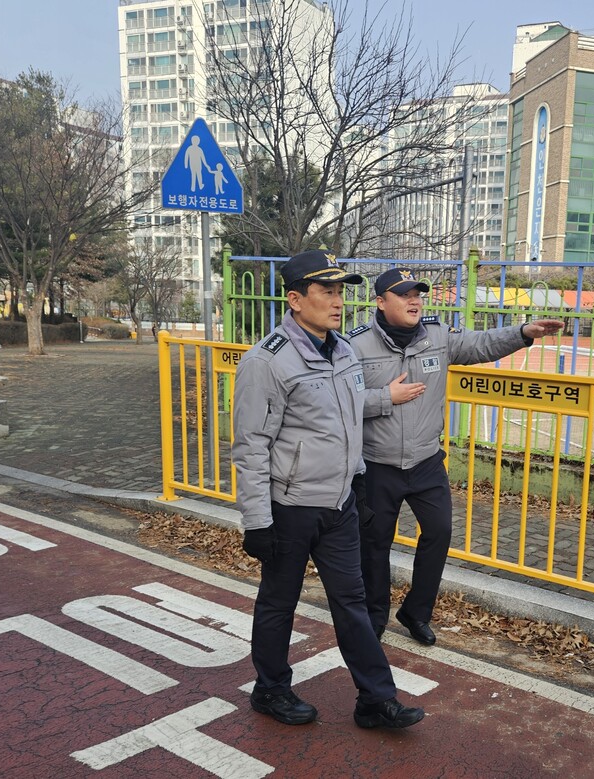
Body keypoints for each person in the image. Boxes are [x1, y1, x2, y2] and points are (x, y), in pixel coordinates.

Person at [231, 249, 424, 730]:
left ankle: (375, 699)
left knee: (353, 604)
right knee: (279, 602)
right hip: (290, 507)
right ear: (295, 298)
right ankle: (270, 688)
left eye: (341, 292)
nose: (338, 302)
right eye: (326, 291)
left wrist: (358, 484)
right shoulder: (266, 361)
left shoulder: (343, 351)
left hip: (338, 506)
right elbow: (251, 446)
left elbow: (345, 419)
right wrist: (257, 521)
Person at [348, 267, 564, 645]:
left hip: (427, 461)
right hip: (377, 464)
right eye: (404, 295)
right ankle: (373, 616)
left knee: (439, 532)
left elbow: (480, 344)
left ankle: (416, 612)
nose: (415, 300)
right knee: (375, 543)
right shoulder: (355, 346)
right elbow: (340, 401)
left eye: (418, 294)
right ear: (380, 302)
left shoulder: (436, 335)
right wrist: (385, 398)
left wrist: (522, 333)